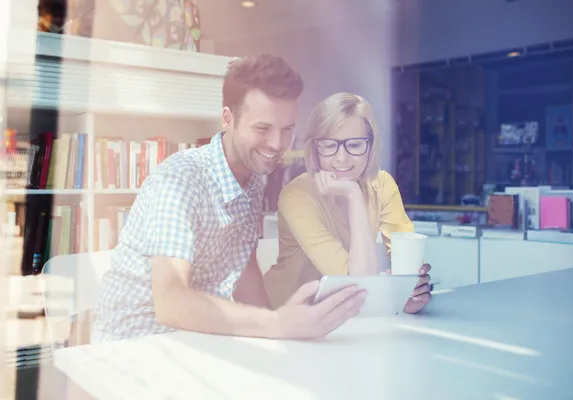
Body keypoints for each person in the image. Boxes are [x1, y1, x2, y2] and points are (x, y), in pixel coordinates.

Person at [92, 55, 366, 343]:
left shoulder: (254, 177)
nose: (276, 144)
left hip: (197, 337)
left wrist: (282, 334)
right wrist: (275, 324)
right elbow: (169, 302)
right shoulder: (180, 181)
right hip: (134, 342)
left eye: (286, 130)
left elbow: (243, 268)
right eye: (262, 128)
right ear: (228, 119)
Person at [263, 92, 432, 312]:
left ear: (370, 146)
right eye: (329, 145)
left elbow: (407, 262)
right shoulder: (297, 195)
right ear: (315, 148)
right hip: (286, 317)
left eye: (354, 145)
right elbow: (359, 282)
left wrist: (412, 292)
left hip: (347, 317)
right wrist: (353, 195)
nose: (341, 158)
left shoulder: (382, 185)